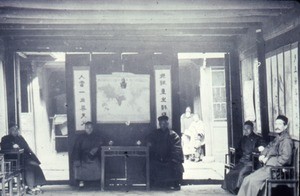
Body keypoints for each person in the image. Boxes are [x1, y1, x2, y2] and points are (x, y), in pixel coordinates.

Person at [238, 115, 293, 196]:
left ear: (285, 126)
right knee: (247, 179)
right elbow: (268, 147)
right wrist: (263, 155)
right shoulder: (278, 138)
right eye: (276, 124)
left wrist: (269, 160)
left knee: (252, 181)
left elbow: (285, 158)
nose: (277, 127)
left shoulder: (286, 141)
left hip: (276, 170)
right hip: (268, 167)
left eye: (280, 124)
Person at [222, 120, 265, 194]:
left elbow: (262, 148)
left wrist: (256, 150)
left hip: (251, 162)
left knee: (241, 174)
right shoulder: (243, 139)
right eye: (244, 129)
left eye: (248, 128)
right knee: (231, 174)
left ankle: (239, 191)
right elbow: (238, 150)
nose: (246, 130)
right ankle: (232, 190)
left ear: (252, 128)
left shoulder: (258, 138)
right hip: (242, 161)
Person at [1, 124, 46, 194]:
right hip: (13, 159)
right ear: (10, 131)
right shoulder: (5, 138)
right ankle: (31, 187)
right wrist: (12, 146)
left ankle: (35, 186)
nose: (15, 131)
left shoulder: (20, 138)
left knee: (35, 165)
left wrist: (33, 157)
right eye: (13, 130)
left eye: (16, 130)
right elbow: (4, 148)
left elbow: (26, 147)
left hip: (24, 157)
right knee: (29, 166)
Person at [147, 115, 184, 190]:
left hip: (169, 158)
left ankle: (174, 183)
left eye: (164, 123)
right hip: (157, 158)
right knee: (150, 164)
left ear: (167, 124)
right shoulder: (155, 133)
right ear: (159, 124)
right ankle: (155, 184)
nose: (163, 125)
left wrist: (172, 158)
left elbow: (177, 149)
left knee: (175, 165)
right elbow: (148, 140)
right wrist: (149, 143)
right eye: (161, 124)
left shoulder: (173, 135)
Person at [72, 122, 103, 188]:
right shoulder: (80, 137)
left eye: (91, 127)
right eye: (87, 127)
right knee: (79, 166)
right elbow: (76, 149)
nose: (89, 129)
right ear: (85, 128)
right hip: (82, 157)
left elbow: (99, 145)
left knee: (97, 166)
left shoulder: (96, 137)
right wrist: (77, 159)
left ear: (93, 128)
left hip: (93, 156)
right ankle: (81, 182)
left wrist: (92, 152)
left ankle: (94, 183)